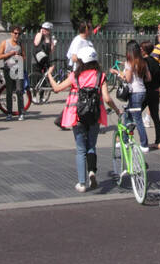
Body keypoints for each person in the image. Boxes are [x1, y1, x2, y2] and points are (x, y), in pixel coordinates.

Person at [47, 47, 116, 193]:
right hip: (95, 115)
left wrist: (49, 76)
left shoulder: (75, 76)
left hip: (77, 115)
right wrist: (117, 110)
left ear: (81, 61)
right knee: (91, 146)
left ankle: (82, 183)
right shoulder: (100, 76)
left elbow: (57, 88)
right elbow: (107, 98)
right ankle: (92, 171)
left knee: (80, 150)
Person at [118, 40, 151, 152]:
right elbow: (149, 78)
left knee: (137, 119)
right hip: (142, 91)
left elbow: (127, 79)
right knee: (129, 116)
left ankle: (144, 144)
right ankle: (125, 140)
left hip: (135, 93)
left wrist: (118, 73)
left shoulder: (130, 62)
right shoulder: (142, 62)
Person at [0, 26, 27, 120]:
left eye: (19, 34)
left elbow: (24, 56)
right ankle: (9, 112)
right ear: (11, 33)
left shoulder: (20, 43)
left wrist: (20, 57)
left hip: (19, 69)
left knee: (19, 90)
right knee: (9, 91)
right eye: (15, 33)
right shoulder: (5, 43)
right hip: (8, 69)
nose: (17, 35)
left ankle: (21, 112)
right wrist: (10, 54)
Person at [139, 39, 160, 148]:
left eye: (141, 49)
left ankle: (125, 138)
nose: (139, 50)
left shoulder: (143, 62)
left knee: (135, 115)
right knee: (155, 117)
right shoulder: (155, 61)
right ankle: (158, 141)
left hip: (145, 91)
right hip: (155, 92)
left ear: (144, 50)